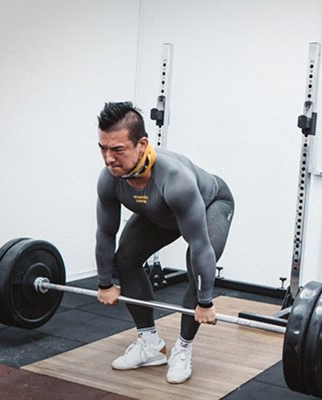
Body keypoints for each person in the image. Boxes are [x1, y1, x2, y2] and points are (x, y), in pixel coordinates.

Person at [94, 101, 234, 384]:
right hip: (160, 213)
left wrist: (205, 302)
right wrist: (104, 282)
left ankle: (183, 347)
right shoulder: (110, 179)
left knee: (194, 265)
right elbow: (106, 232)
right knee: (126, 259)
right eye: (103, 148)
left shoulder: (175, 180)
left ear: (142, 144)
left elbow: (200, 247)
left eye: (117, 150)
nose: (108, 159)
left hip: (211, 205)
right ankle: (149, 344)